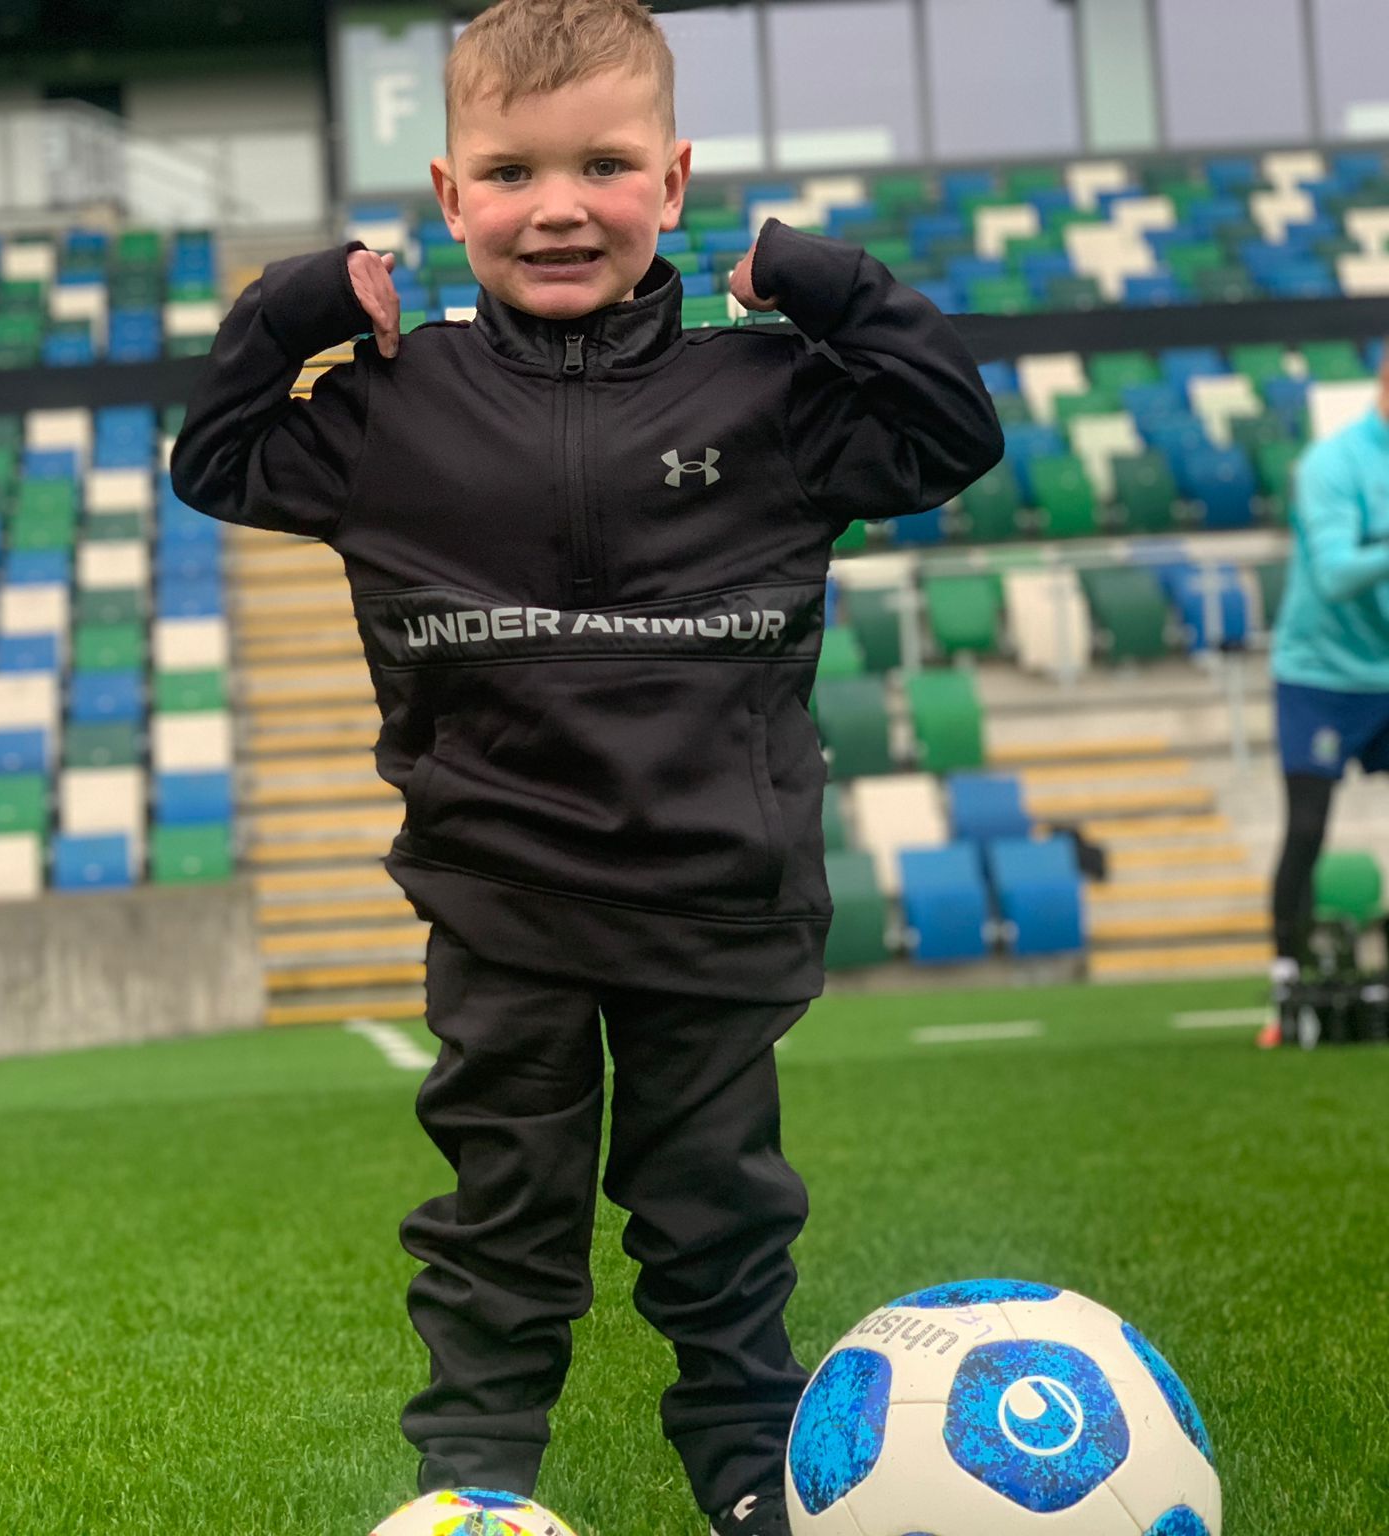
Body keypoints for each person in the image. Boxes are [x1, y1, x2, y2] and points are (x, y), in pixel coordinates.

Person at [168, 1, 1003, 1528]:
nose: (559, 207)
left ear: (674, 184)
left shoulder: (774, 397)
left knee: (718, 1228)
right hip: (501, 908)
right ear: (450, 197)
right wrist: (294, 311)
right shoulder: (389, 409)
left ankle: (757, 1492)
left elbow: (955, 432)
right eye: (512, 173)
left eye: (606, 165)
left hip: (718, 906)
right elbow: (213, 458)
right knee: (502, 1227)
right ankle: (475, 1497)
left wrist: (819, 284)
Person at [1263, 341, 1389, 1049]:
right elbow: (1339, 573)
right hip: (1320, 674)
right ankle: (1288, 972)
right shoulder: (1332, 465)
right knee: (1308, 827)